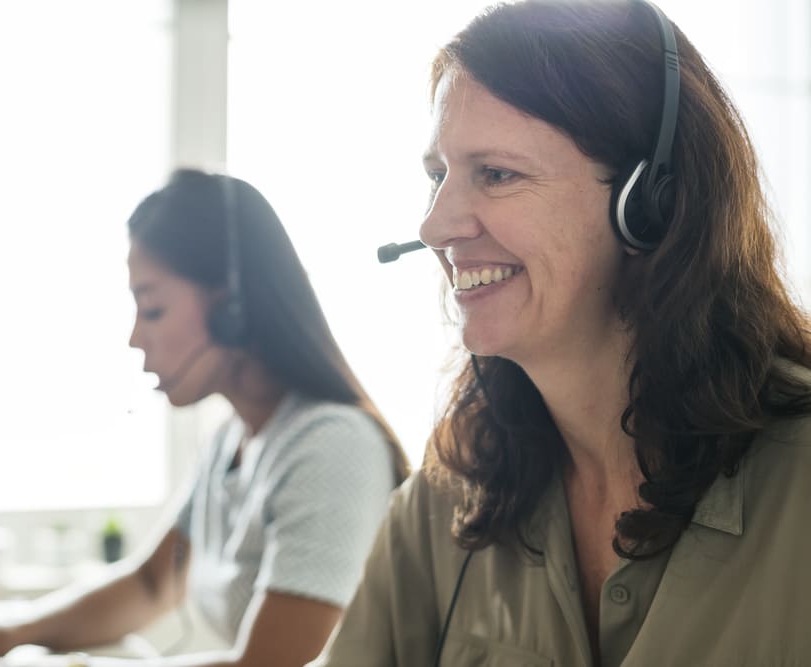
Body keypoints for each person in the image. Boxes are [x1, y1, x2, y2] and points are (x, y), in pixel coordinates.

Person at [310, 1, 811, 665]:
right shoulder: (449, 496)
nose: (435, 226)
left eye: (496, 173)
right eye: (438, 176)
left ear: (649, 203)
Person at [0, 168, 411, 667]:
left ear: (233, 307)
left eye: (154, 307)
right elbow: (149, 583)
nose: (136, 338)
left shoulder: (332, 446)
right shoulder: (231, 444)